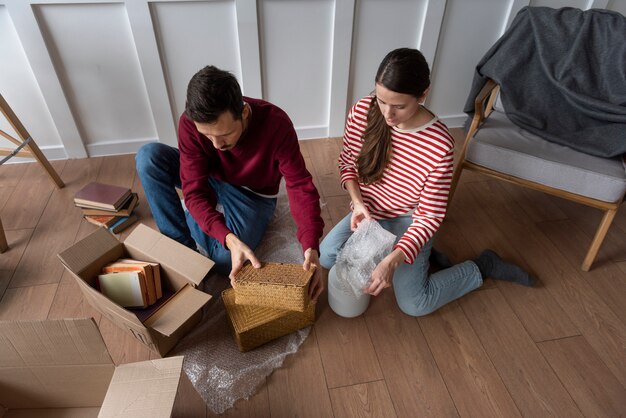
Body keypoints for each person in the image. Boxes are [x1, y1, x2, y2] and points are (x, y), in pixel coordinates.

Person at [319, 48, 534, 317]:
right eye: (381, 100)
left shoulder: (439, 144)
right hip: (370, 214)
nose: (388, 114)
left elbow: (429, 216)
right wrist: (359, 203)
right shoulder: (363, 111)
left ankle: (482, 266)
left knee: (414, 303)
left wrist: (394, 259)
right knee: (327, 256)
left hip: (409, 220)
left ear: (423, 95)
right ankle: (422, 255)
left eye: (399, 106)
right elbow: (348, 162)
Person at [136, 65, 325, 300]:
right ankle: (183, 251)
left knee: (226, 261)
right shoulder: (190, 123)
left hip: (252, 192)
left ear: (244, 112)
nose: (217, 145)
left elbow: (299, 185)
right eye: (207, 135)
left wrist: (311, 246)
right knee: (148, 157)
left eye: (225, 134)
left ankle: (198, 220)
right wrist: (227, 236)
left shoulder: (276, 124)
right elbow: (194, 191)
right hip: (209, 176)